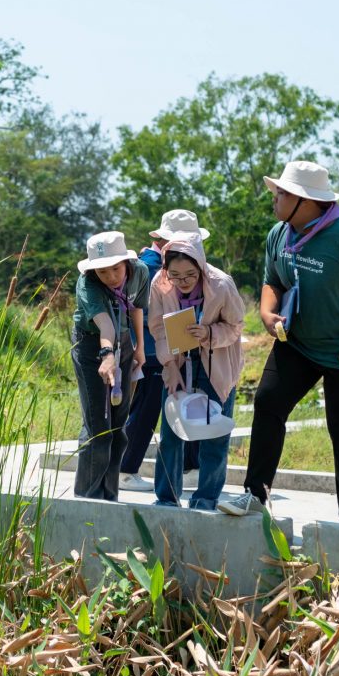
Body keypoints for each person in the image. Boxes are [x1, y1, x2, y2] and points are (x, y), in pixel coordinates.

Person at [218, 161, 339, 525]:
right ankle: (254, 496)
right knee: (268, 403)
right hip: (297, 344)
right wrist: (268, 313)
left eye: (280, 194)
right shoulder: (280, 234)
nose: (274, 200)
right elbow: (272, 280)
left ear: (304, 200)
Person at [148, 232, 245, 511]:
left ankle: (206, 498)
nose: (183, 282)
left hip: (218, 361)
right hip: (179, 361)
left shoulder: (221, 285)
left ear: (201, 267)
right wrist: (170, 366)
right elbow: (157, 327)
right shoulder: (160, 284)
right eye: (175, 276)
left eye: (190, 275)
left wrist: (208, 332)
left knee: (215, 431)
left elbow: (236, 327)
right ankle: (166, 497)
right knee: (171, 429)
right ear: (166, 271)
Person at [119, 209, 208, 492]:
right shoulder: (147, 266)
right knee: (145, 410)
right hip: (151, 352)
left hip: (173, 349)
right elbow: (137, 312)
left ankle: (190, 467)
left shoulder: (166, 264)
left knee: (179, 405)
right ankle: (124, 468)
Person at [72, 231, 149, 501]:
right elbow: (104, 323)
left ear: (125, 263)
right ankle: (87, 498)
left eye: (115, 269)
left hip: (125, 341)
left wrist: (139, 346)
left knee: (118, 424)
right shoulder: (87, 283)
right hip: (92, 344)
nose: (111, 277)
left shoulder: (140, 272)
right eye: (103, 272)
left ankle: (109, 496)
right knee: (98, 425)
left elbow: (137, 307)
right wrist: (107, 355)